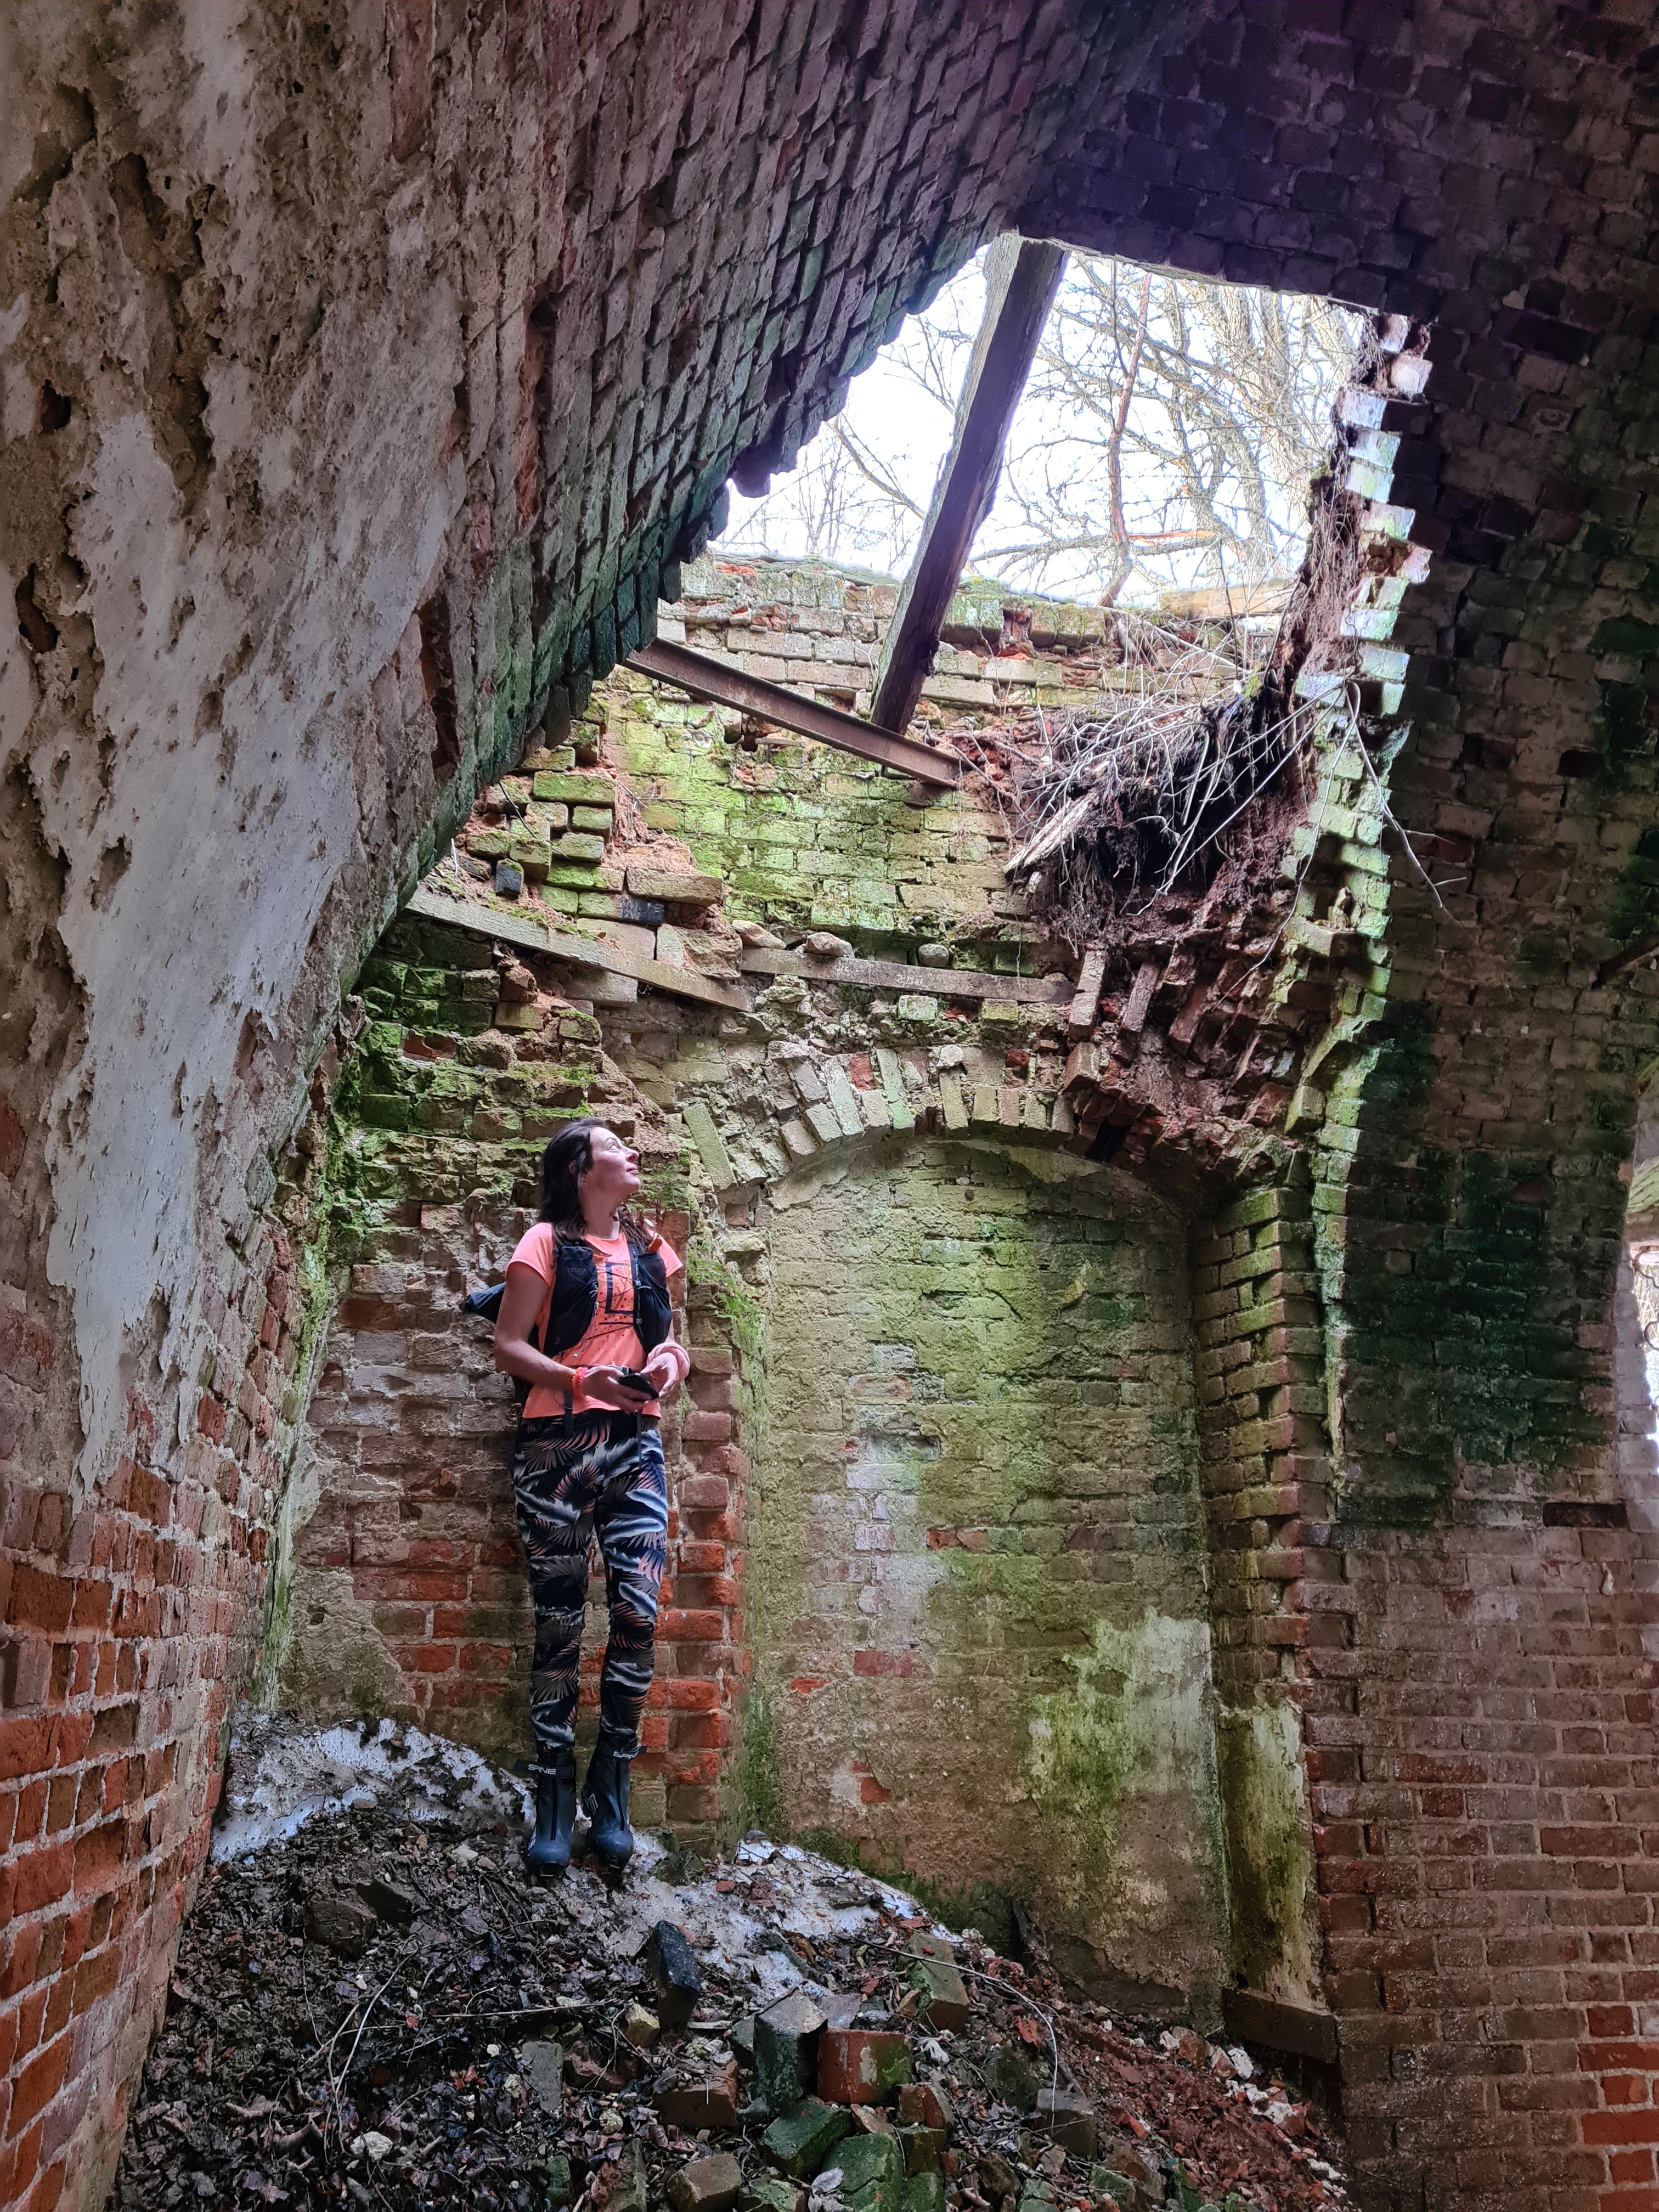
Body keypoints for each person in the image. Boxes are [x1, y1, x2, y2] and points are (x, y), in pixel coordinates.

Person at [492, 1119, 691, 1874]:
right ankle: (553, 1790)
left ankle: (611, 1782)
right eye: (615, 1147)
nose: (632, 1153)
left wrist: (671, 1364)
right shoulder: (542, 1243)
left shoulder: (652, 1249)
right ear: (580, 1169)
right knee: (559, 1625)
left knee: (638, 1614)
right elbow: (508, 1346)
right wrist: (582, 1380)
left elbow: (671, 1340)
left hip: (637, 1446)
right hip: (556, 1446)